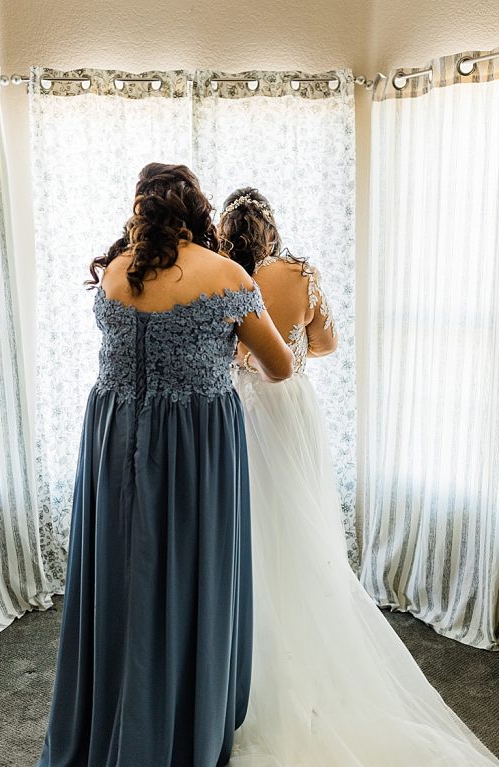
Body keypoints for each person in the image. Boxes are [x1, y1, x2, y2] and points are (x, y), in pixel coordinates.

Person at [221, 187, 499, 766]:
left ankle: (242, 658)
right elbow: (324, 344)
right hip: (291, 407)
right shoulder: (301, 274)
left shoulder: (223, 276)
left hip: (240, 409)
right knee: (301, 524)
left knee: (250, 528)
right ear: (271, 229)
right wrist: (295, 337)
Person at [36, 163, 293, 767]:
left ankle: (116, 706)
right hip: (195, 444)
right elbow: (279, 366)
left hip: (114, 434)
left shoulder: (115, 273)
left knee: (121, 571)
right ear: (198, 208)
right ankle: (180, 722)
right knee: (191, 572)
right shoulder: (227, 274)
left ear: (140, 208)